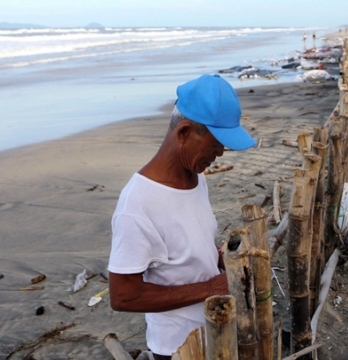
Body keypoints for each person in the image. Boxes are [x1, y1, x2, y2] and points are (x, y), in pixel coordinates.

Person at [108, 74, 256, 360]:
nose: (220, 153)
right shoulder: (137, 205)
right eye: (215, 144)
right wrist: (211, 288)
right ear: (184, 132)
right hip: (179, 349)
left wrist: (222, 258)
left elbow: (189, 245)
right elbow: (123, 296)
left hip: (215, 331)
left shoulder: (196, 176)